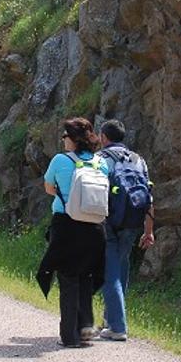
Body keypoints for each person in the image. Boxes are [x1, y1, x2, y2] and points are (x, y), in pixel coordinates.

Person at [37, 117, 107, 347]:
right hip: (94, 228)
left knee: (68, 279)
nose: (63, 140)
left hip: (66, 225)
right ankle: (85, 326)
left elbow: (49, 188)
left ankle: (69, 336)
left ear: (74, 139)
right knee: (86, 276)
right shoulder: (100, 163)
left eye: (65, 136)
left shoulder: (60, 160)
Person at [97, 119, 155, 341]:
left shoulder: (101, 159)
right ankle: (110, 321)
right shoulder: (138, 160)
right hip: (132, 222)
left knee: (109, 272)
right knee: (120, 266)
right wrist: (148, 230)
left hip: (108, 222)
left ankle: (118, 327)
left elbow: (93, 192)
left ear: (103, 137)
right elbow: (148, 196)